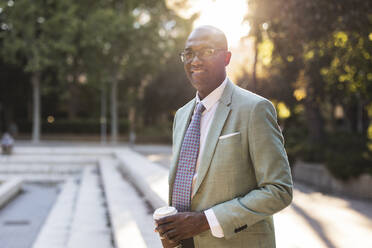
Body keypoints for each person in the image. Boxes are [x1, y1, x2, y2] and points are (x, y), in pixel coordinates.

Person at [155, 25, 293, 248]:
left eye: (206, 51)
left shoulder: (255, 109)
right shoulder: (181, 116)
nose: (195, 61)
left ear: (227, 58)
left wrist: (206, 221)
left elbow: (279, 190)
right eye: (188, 53)